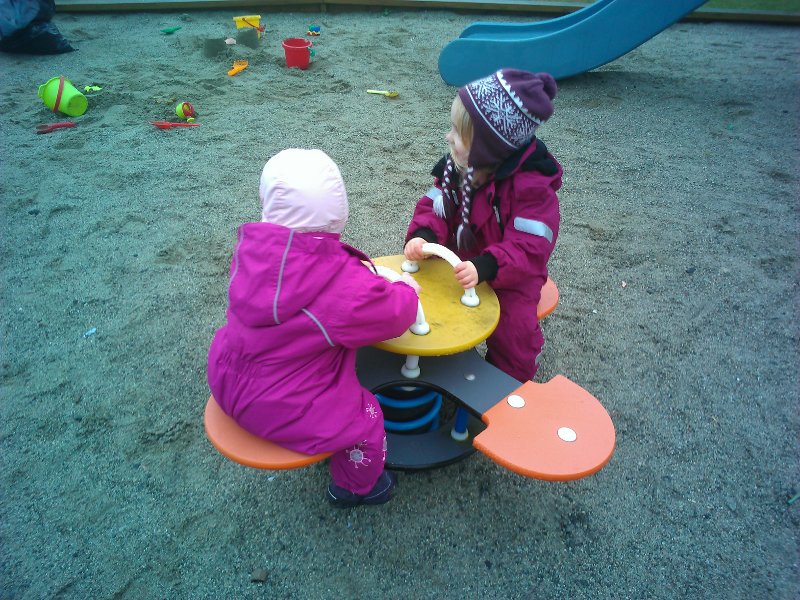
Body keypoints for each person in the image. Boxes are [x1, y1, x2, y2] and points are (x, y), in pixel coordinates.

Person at [208, 149, 420, 508]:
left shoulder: (250, 254)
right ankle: (357, 487)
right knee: (366, 417)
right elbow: (395, 315)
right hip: (281, 408)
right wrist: (405, 289)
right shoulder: (340, 283)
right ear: (337, 212)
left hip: (226, 378)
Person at [404, 69, 562, 382]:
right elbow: (435, 207)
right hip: (461, 259)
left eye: (457, 132)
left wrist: (487, 266)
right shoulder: (457, 167)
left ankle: (508, 380)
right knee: (428, 294)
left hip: (508, 274)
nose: (448, 137)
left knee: (514, 328)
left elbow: (530, 248)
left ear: (488, 146)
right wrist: (424, 235)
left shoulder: (532, 188)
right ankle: (440, 353)